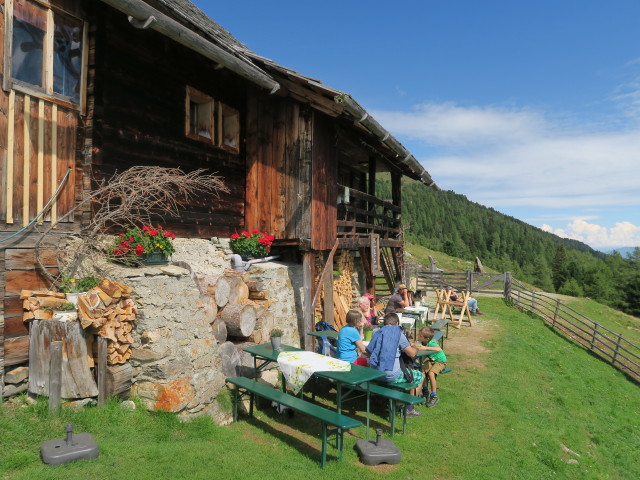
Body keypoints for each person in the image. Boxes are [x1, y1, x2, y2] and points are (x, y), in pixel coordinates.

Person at [366, 313, 424, 417]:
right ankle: (409, 409)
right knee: (420, 375)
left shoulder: (376, 332)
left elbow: (369, 351)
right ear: (397, 323)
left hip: (373, 373)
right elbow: (411, 353)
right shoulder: (399, 333)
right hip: (390, 375)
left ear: (384, 323)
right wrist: (416, 346)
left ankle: (386, 401)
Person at [414, 326, 447, 408]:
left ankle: (434, 395)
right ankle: (425, 391)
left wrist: (426, 347)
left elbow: (439, 349)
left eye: (420, 336)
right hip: (431, 361)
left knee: (431, 373)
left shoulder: (431, 343)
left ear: (427, 338)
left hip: (440, 361)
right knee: (422, 370)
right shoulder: (422, 342)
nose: (418, 336)